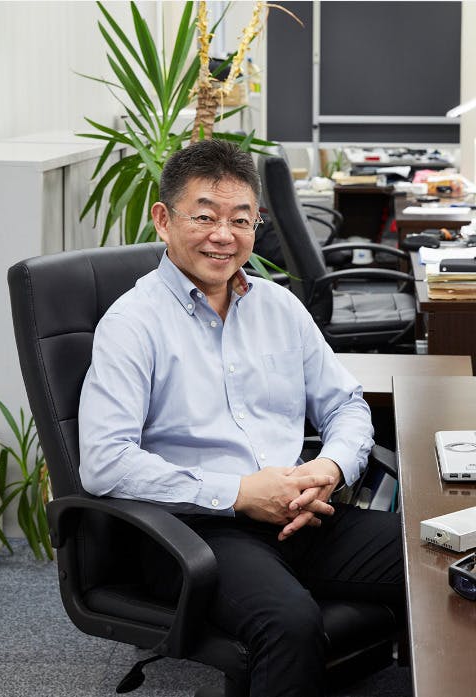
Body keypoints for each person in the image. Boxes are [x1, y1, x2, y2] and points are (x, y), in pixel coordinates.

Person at [79, 139, 404, 697]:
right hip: (195, 532)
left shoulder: (279, 306)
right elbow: (105, 462)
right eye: (204, 217)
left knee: (442, 561)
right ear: (164, 220)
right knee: (290, 623)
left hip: (300, 511)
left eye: (240, 219)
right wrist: (239, 493)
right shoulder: (131, 324)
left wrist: (329, 468)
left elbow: (345, 403)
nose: (223, 235)